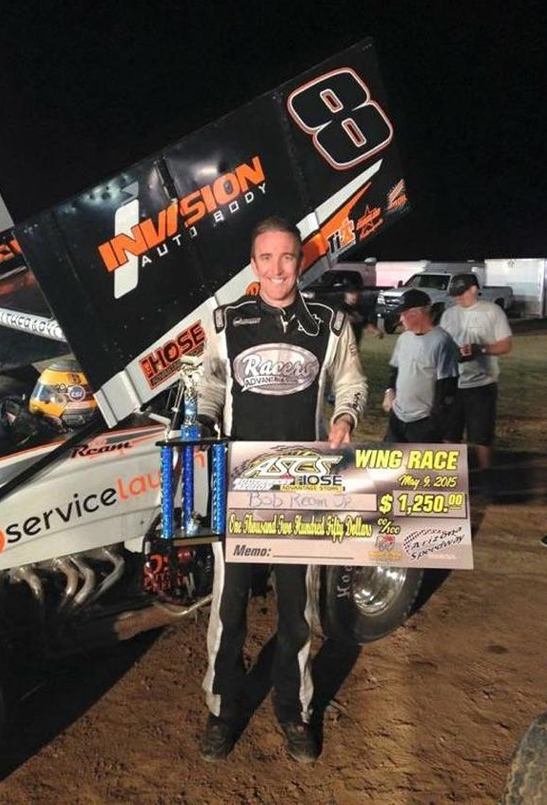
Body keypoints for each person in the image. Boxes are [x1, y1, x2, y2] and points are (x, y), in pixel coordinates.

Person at [197, 216, 367, 763]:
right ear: (254, 264)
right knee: (229, 607)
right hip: (239, 486)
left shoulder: (330, 324)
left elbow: (352, 383)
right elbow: (210, 384)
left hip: (303, 487)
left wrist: (345, 417)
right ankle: (223, 709)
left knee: (298, 609)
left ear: (301, 260)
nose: (277, 269)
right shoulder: (225, 321)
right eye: (266, 258)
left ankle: (294, 711)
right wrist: (202, 423)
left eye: (287, 257)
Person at [440, 274, 513, 470]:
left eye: (461, 293)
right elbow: (442, 345)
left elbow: (506, 345)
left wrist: (481, 349)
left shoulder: (492, 311)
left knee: (482, 436)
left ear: (474, 289)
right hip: (453, 383)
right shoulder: (449, 314)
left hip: (482, 384)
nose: (457, 298)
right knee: (449, 433)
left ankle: (486, 475)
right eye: (454, 294)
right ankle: (451, 477)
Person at [382, 289, 459, 442]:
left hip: (423, 421)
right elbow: (395, 369)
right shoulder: (404, 339)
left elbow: (447, 387)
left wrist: (435, 423)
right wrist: (389, 390)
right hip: (398, 417)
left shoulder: (442, 341)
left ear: (417, 313)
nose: (400, 319)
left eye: (404, 314)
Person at [340, 282, 384, 347]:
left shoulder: (360, 309)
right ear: (346, 294)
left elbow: (365, 323)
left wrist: (375, 331)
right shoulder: (341, 309)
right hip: (342, 344)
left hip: (355, 344)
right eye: (351, 293)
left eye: (356, 293)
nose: (355, 296)